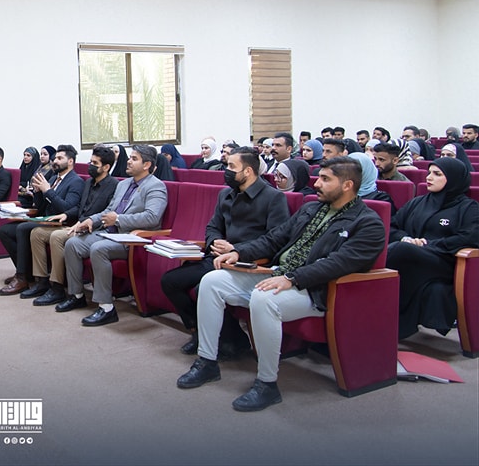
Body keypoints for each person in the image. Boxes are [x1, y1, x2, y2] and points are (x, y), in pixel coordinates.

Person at [177, 157, 385, 411]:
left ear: (347, 185)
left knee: (264, 299)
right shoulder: (311, 209)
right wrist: (239, 252)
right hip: (278, 274)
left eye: (325, 179)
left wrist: (292, 278)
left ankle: (267, 384)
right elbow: (274, 239)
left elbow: (337, 264)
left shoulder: (367, 223)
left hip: (315, 290)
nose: (316, 184)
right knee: (211, 281)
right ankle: (207, 361)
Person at [161, 147, 290, 357]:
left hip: (247, 262)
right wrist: (215, 241)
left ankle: (231, 340)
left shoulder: (273, 198)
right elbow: (213, 226)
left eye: (231, 166)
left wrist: (237, 250)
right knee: (170, 281)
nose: (226, 170)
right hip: (217, 257)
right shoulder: (225, 194)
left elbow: (275, 240)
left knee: (204, 287)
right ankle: (199, 331)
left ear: (248, 171)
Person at [58, 145, 168, 326]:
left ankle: (106, 307)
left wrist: (118, 219)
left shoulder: (156, 186)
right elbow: (109, 210)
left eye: (134, 159)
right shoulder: (123, 184)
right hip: (110, 233)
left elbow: (152, 217)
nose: (128, 161)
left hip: (133, 238)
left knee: (98, 249)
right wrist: (91, 220)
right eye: (130, 157)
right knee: (73, 244)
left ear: (147, 164)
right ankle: (76, 295)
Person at [387, 157, 479, 339]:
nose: (429, 178)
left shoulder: (469, 207)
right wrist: (406, 238)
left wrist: (428, 244)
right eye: (429, 173)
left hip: (445, 261)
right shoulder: (418, 202)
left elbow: (469, 237)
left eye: (437, 174)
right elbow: (391, 226)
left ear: (453, 179)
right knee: (402, 249)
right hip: (413, 256)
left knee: (401, 250)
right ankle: (388, 323)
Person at [26, 145, 118, 305]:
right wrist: (67, 214)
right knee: (37, 233)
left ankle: (57, 287)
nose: (90, 166)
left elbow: (106, 212)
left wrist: (82, 221)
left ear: (106, 167)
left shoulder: (113, 185)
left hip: (93, 228)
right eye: (90, 162)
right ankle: (41, 281)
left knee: (56, 237)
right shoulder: (89, 182)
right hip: (76, 223)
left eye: (95, 163)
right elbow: (79, 206)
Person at [0, 145, 83, 295]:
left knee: (22, 229)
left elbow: (67, 208)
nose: (55, 161)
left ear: (70, 161)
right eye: (55, 158)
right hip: (44, 218)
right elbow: (40, 205)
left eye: (60, 158)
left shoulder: (76, 181)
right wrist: (38, 192)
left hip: (59, 222)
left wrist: (47, 191)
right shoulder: (53, 178)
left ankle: (22, 277)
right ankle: (26, 270)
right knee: (4, 230)